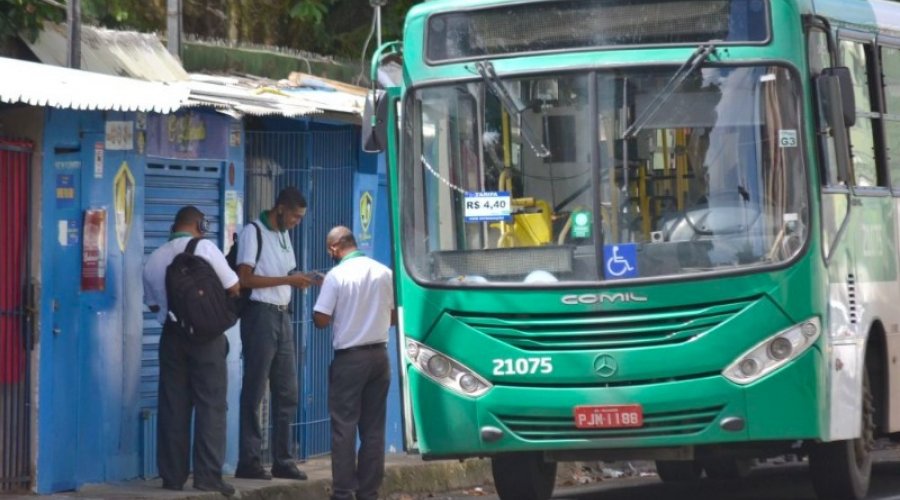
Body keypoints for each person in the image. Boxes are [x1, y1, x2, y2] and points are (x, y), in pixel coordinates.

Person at [142, 206, 239, 496]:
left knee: (174, 406)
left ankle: (172, 477)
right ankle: (208, 477)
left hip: (172, 337)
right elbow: (234, 286)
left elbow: (154, 305)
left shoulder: (155, 258)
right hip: (207, 339)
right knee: (211, 406)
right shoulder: (205, 248)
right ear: (199, 224)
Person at [235, 187, 316, 480]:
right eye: (294, 216)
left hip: (283, 316)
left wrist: (303, 279)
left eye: (300, 218)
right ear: (280, 208)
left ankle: (283, 459)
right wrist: (287, 280)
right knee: (255, 389)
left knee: (288, 392)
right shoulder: (253, 232)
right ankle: (249, 461)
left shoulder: (284, 234)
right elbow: (245, 278)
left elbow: (289, 271)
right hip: (260, 315)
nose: (297, 222)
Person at [313, 226, 395, 500]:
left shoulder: (336, 276)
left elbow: (320, 319)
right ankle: (368, 492)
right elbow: (393, 317)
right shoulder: (384, 272)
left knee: (344, 427)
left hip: (350, 360)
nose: (329, 253)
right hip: (380, 357)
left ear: (335, 247)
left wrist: (342, 311)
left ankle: (344, 492)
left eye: (329, 249)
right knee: (373, 430)